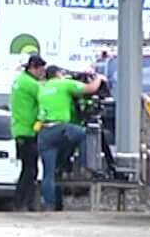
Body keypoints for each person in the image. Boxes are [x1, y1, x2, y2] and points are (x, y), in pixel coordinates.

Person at [34, 66, 104, 211]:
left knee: (49, 173)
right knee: (83, 134)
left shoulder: (42, 87)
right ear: (58, 74)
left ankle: (50, 205)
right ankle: (87, 164)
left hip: (44, 132)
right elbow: (90, 89)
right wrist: (98, 78)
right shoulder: (63, 83)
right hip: (60, 128)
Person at [10, 56, 48, 212]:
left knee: (27, 168)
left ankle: (23, 202)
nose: (42, 73)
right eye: (41, 70)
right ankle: (22, 202)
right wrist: (40, 122)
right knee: (31, 169)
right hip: (29, 130)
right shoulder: (32, 85)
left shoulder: (19, 81)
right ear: (33, 67)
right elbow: (45, 100)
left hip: (19, 129)